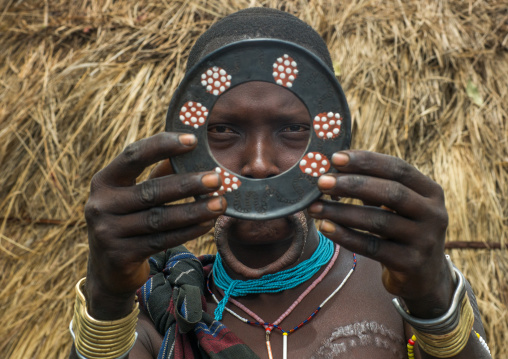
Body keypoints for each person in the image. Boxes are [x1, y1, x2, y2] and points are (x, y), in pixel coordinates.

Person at [69, 8, 492, 359]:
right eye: (222, 131)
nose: (258, 164)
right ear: (184, 149)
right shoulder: (162, 314)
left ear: (333, 139)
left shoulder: (404, 290)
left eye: (292, 129)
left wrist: (435, 307)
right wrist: (106, 298)